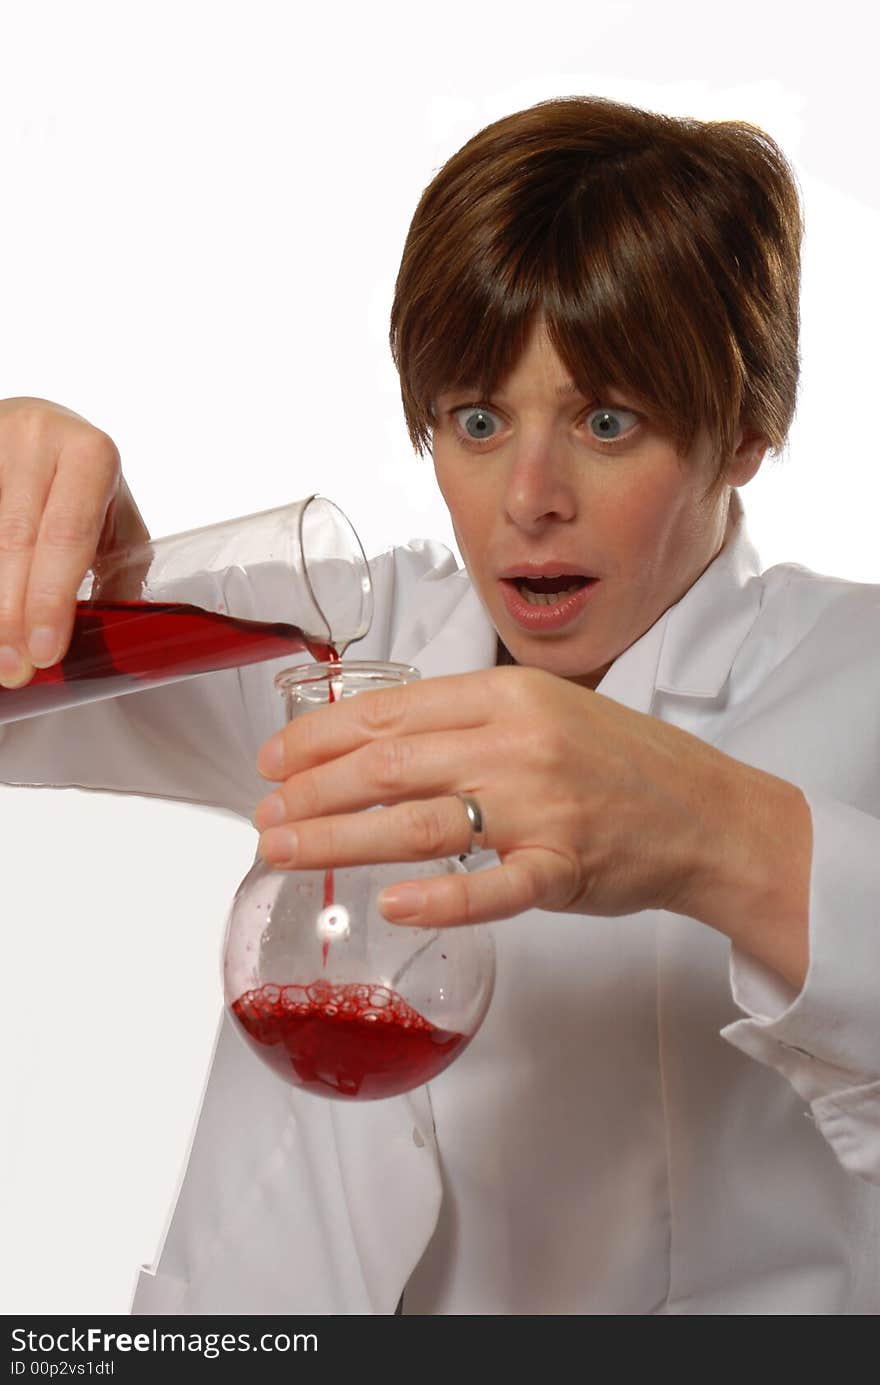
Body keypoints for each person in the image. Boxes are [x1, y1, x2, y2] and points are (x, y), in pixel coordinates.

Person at [1, 94, 878, 1316]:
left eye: (606, 418)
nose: (528, 497)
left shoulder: (859, 674)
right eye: (477, 418)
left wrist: (718, 833)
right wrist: (29, 537)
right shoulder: (346, 637)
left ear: (746, 430)